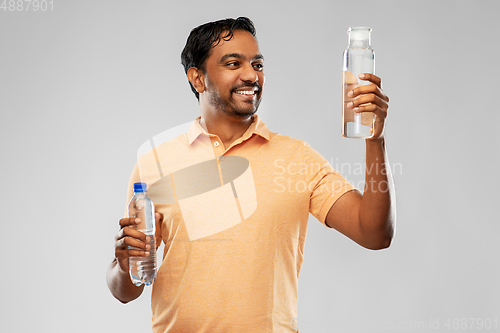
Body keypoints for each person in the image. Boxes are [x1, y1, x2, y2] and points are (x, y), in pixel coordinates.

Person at [107, 17, 395, 332]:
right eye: (233, 63)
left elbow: (374, 233)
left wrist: (375, 140)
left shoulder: (296, 158)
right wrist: (124, 267)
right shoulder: (154, 164)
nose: (251, 75)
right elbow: (126, 290)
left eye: (257, 65)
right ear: (197, 78)